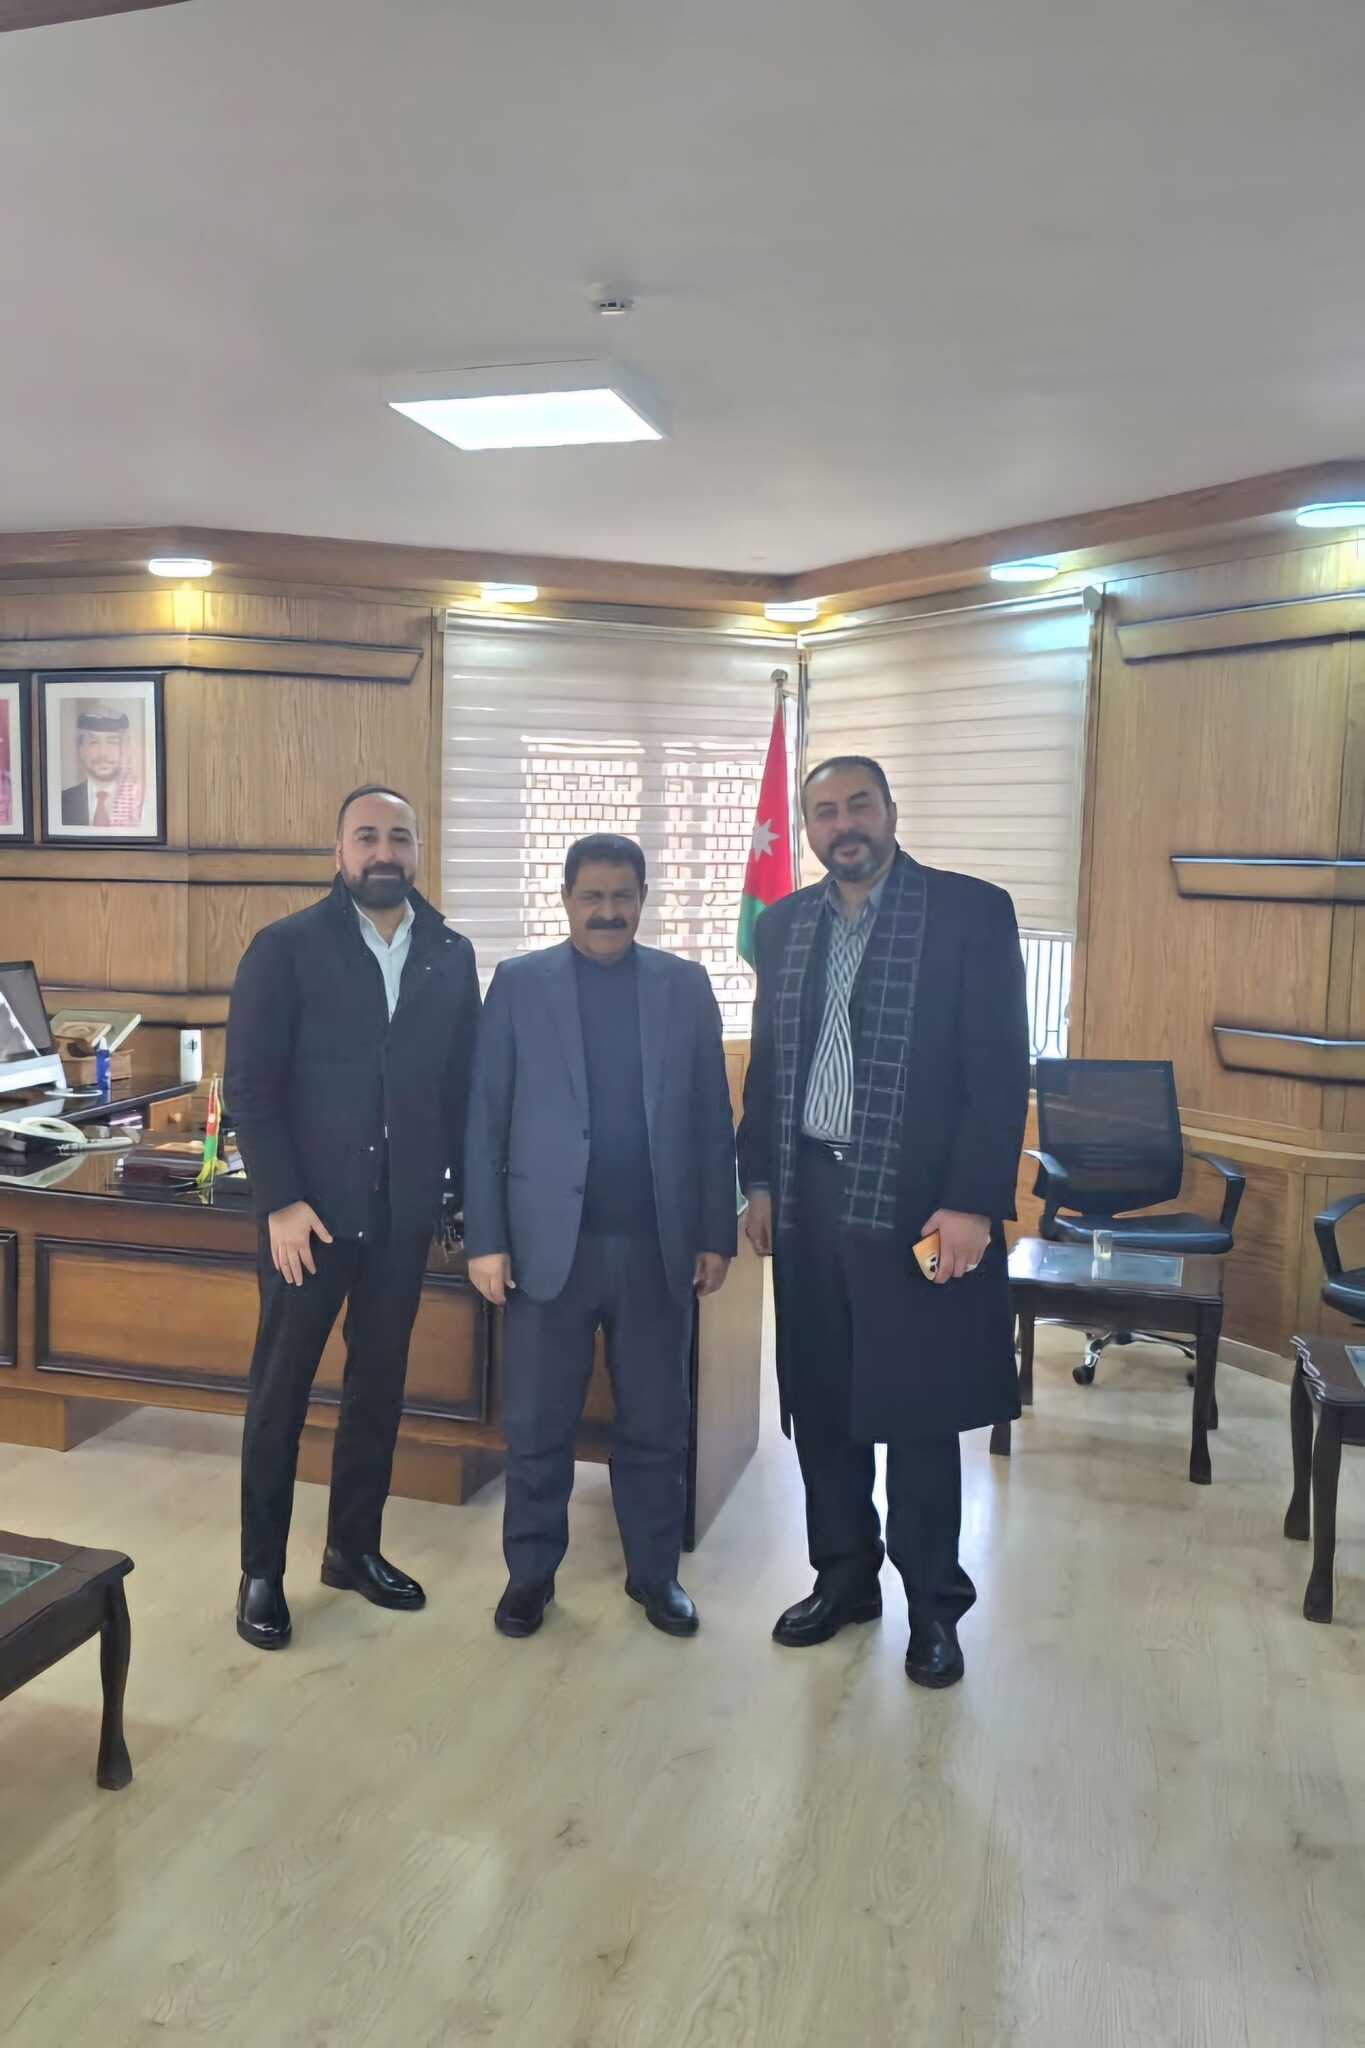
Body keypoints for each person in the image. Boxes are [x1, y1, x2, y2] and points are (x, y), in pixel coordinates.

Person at [738, 756, 1029, 1689]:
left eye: (857, 805)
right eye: (823, 812)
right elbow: (769, 1068)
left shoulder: (969, 913)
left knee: (918, 1408)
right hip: (808, 1196)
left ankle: (933, 1609)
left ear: (890, 811)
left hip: (921, 1207)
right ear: (808, 831)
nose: (842, 825)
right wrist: (758, 1181)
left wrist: (973, 1200)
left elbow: (998, 1069)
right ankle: (843, 1579)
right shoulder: (784, 925)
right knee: (822, 1402)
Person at [225, 785, 481, 1650]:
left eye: (399, 837)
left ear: (418, 851)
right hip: (309, 1219)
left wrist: (459, 1197)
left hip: (401, 1216)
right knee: (281, 1395)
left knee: (377, 1390)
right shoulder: (286, 948)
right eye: (366, 836)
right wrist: (280, 1201)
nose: (383, 851)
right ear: (337, 852)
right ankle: (262, 1571)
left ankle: (352, 1549)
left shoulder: (449, 954)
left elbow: (461, 1088)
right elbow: (251, 1088)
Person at [463, 833, 737, 1641]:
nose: (607, 911)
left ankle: (655, 1575)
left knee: (656, 1424)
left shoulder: (684, 986)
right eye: (592, 896)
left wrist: (714, 1231)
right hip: (548, 1248)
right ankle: (529, 1577)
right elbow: (485, 1118)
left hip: (657, 1247)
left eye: (622, 896)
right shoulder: (519, 985)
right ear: (565, 899)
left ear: (642, 900)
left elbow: (711, 1118)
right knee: (537, 1426)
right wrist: (485, 1239)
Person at [61, 703, 144, 828]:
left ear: (126, 748)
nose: (103, 753)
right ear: (81, 749)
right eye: (93, 742)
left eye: (112, 742)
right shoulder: (61, 803)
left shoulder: (140, 803)